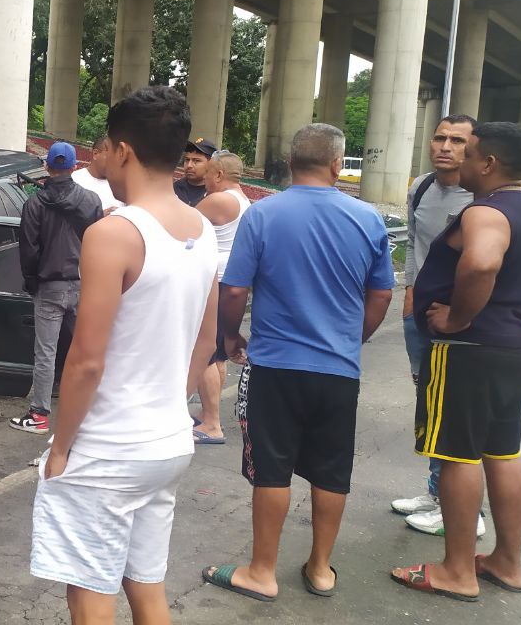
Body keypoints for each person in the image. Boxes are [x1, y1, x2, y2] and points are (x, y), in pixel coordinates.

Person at [31, 86, 218, 624]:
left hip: (109, 449)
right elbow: (206, 343)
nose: (100, 159)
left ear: (124, 151)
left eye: (104, 148)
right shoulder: (202, 228)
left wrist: (61, 445)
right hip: (166, 441)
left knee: (90, 593)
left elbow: (86, 360)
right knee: (146, 586)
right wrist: (166, 409)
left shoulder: (114, 233)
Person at [203, 123, 394, 601]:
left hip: (275, 366)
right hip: (338, 370)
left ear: (290, 164)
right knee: (331, 470)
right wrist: (354, 338)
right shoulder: (367, 218)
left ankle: (261, 571)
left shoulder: (264, 214)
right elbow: (382, 291)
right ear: (337, 165)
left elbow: (235, 288)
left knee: (272, 469)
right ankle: (321, 568)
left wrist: (230, 336)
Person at [391, 122, 521, 602]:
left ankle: (457, 569)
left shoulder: (487, 212)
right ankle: (507, 563)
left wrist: (456, 318)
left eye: (468, 151)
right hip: (514, 352)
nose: (459, 158)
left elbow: (481, 263)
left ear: (489, 163)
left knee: (457, 454)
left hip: (470, 352)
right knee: (503, 450)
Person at [390, 115, 481, 537]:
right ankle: (436, 490)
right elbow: (413, 243)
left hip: (462, 321)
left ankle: (466, 513)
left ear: (474, 150)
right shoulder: (420, 187)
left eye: (457, 140)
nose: (445, 146)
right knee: (431, 401)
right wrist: (410, 293)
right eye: (440, 137)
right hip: (420, 315)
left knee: (458, 409)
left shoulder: (482, 196)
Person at [12, 141, 103, 434]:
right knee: (87, 350)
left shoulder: (34, 204)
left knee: (46, 354)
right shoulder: (91, 200)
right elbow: (99, 245)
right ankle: (93, 413)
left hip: (49, 287)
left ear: (47, 166)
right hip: (83, 285)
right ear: (75, 166)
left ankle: (39, 416)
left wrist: (32, 283)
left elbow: (28, 250)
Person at [189, 151, 251, 445]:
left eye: (208, 173)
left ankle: (212, 422)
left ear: (218, 175)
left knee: (203, 351)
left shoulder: (220, 199)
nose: (204, 180)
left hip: (216, 280)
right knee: (217, 351)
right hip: (229, 281)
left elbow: (184, 223)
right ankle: (207, 412)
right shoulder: (242, 200)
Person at [73, 135, 123, 209]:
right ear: (95, 154)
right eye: (111, 156)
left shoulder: (121, 185)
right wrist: (99, 215)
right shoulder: (75, 180)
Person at [173, 137, 215, 206]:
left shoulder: (215, 193)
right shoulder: (174, 189)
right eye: (187, 160)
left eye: (196, 161)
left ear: (211, 163)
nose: (189, 165)